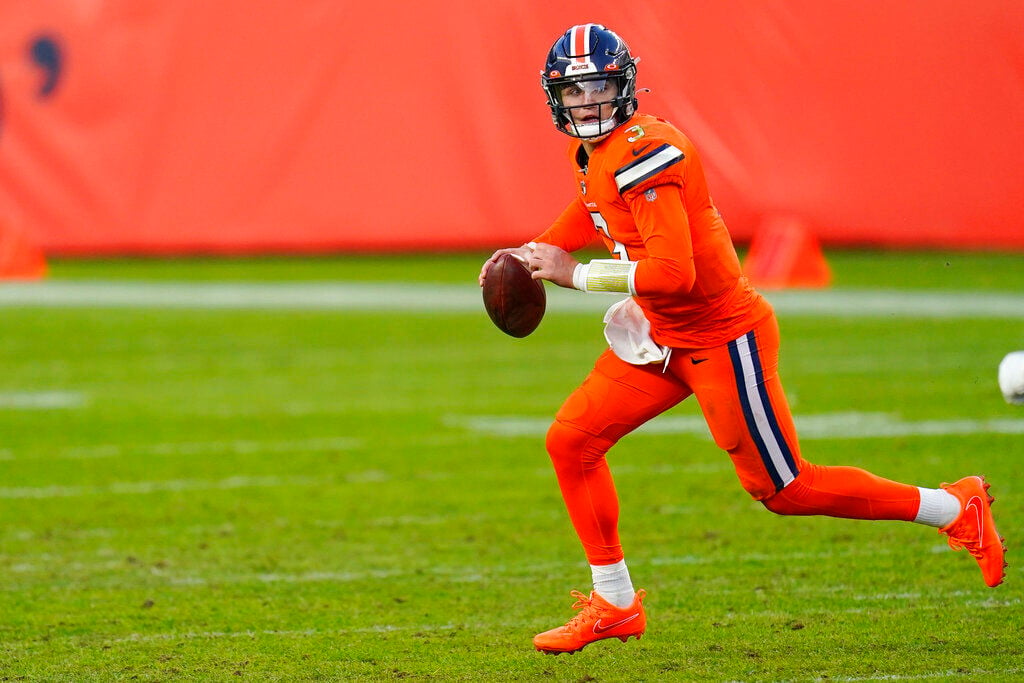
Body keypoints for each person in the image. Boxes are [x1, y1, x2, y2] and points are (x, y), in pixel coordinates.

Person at [478, 23, 1007, 656]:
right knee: (572, 441)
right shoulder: (590, 154)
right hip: (661, 333)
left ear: (624, 88)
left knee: (785, 490)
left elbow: (677, 273)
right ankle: (615, 603)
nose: (587, 104)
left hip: (723, 338)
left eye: (598, 88)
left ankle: (953, 507)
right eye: (574, 92)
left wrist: (577, 273)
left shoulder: (647, 153)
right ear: (554, 99)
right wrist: (537, 249)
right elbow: (592, 209)